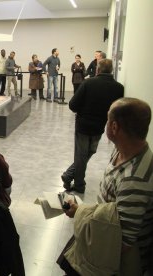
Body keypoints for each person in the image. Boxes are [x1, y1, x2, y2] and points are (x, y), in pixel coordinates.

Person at [61, 98, 153, 275]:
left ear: (114, 127)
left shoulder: (135, 180)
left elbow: (121, 243)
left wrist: (80, 213)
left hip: (115, 262)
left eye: (107, 119)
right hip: (103, 230)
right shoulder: (122, 150)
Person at [61, 59, 124, 193]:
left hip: (83, 125)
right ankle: (79, 184)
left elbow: (72, 105)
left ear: (97, 70)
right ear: (112, 70)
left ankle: (70, 176)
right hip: (99, 127)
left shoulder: (88, 83)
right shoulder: (119, 88)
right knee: (88, 153)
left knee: (81, 155)